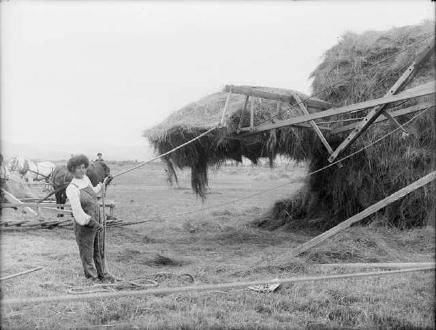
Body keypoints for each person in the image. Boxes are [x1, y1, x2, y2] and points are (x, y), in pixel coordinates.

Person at [65, 154, 115, 282]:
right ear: (72, 170)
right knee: (87, 252)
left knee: (98, 248)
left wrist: (103, 184)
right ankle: (92, 278)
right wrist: (92, 223)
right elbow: (78, 212)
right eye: (78, 168)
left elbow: (94, 191)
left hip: (97, 220)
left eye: (83, 167)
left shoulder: (86, 179)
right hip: (85, 225)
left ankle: (102, 274)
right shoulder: (72, 188)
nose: (82, 170)